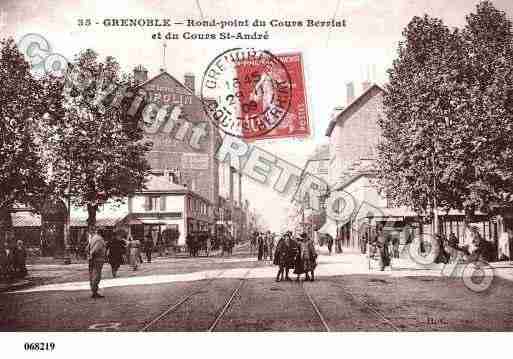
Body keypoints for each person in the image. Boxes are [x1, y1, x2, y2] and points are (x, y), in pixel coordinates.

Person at [88, 229, 106, 299]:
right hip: (97, 259)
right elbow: (96, 249)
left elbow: (87, 248)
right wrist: (92, 255)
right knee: (96, 275)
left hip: (92, 259)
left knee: (92, 274)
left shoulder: (93, 238)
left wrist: (89, 255)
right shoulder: (100, 239)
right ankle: (94, 292)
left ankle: (93, 290)